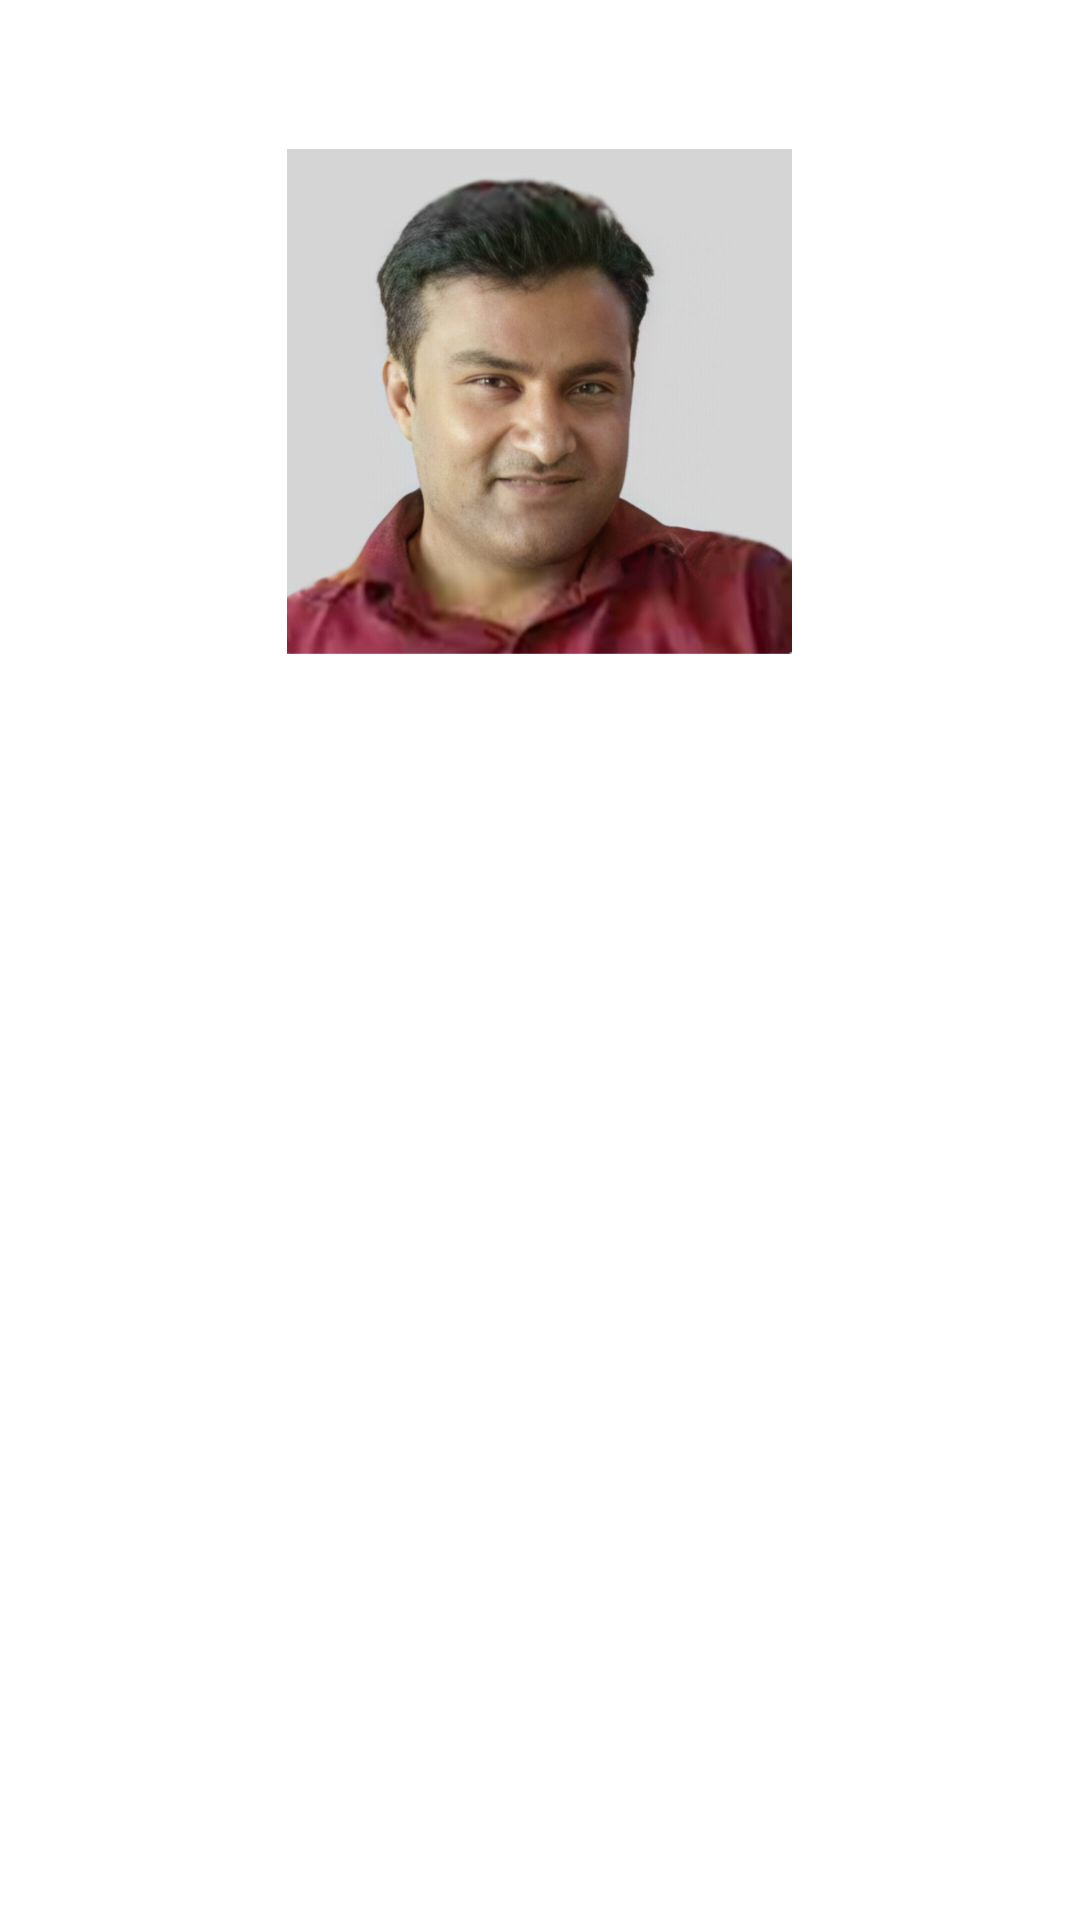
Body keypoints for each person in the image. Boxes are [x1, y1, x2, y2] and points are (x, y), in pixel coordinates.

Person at [287, 180, 791, 655]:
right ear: (404, 400)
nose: (547, 443)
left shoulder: (756, 604)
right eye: (493, 383)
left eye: (589, 388)